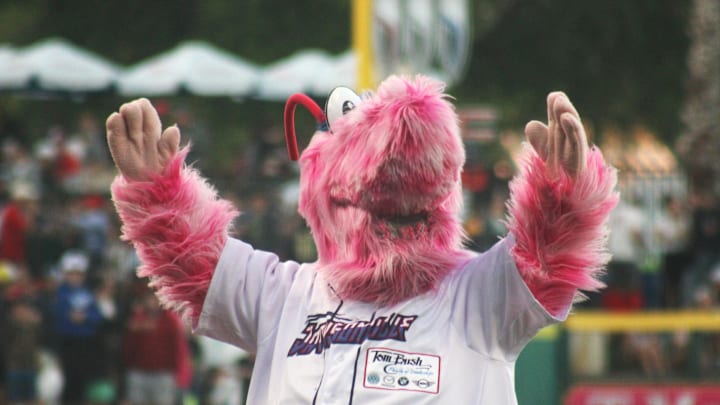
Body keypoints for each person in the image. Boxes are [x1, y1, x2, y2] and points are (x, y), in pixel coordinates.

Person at [106, 78, 617, 403]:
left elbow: (544, 260)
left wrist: (562, 196)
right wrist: (158, 194)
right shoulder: (285, 294)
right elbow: (198, 265)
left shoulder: (476, 294)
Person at [121, 287, 191, 405]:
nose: (151, 302)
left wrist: (180, 374)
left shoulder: (171, 320)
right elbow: (130, 345)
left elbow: (178, 349)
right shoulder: (138, 318)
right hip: (139, 371)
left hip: (163, 373)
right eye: (149, 298)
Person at [53, 250, 104, 405]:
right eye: (71, 273)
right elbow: (58, 315)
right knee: (68, 379)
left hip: (86, 342)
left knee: (83, 379)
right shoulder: (60, 293)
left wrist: (85, 318)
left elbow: (97, 317)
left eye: (78, 274)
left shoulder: (88, 293)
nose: (75, 277)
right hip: (68, 341)